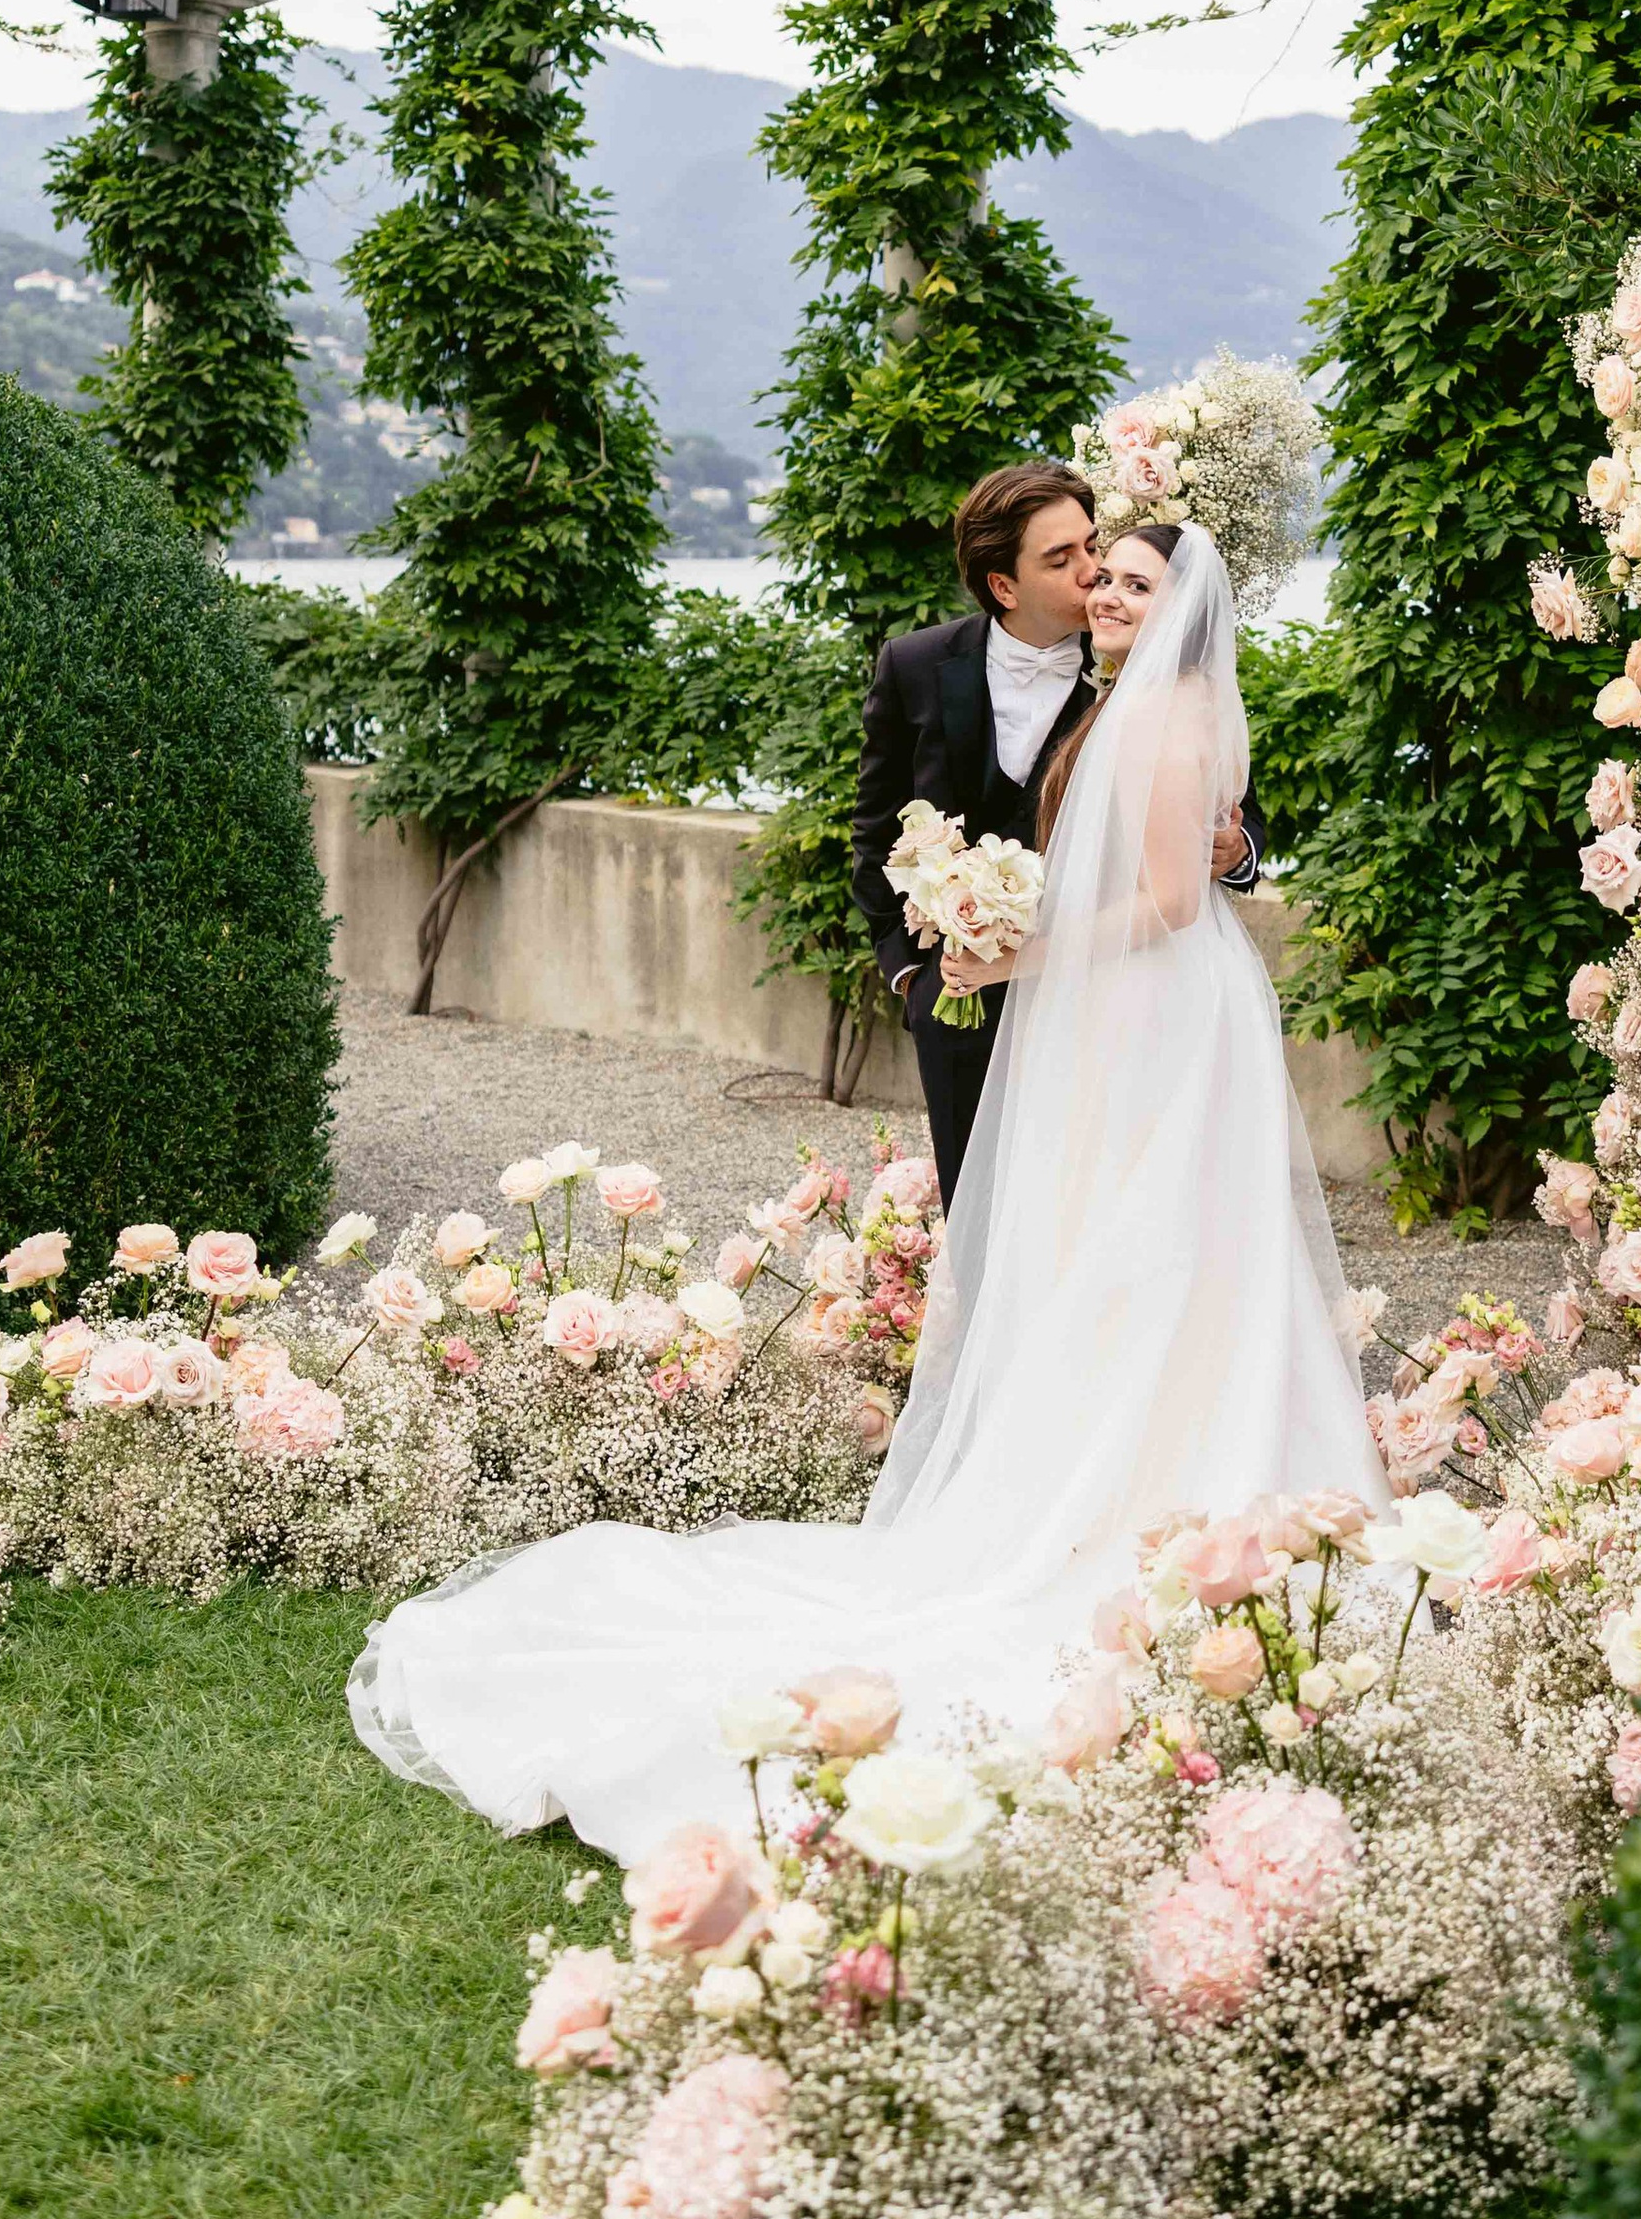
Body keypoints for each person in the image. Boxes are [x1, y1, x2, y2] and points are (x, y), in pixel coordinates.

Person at [348, 519, 1383, 1863]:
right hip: (1084, 1014)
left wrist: (1030, 947)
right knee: (1079, 1251)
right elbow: (894, 821)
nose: (1103, 589)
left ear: (1177, 606)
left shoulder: (1166, 706)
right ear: (1013, 580)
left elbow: (1194, 880)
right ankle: (1098, 1471)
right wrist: (956, 943)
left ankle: (1167, 1483)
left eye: (1129, 577)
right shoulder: (1004, 674)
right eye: (1090, 570)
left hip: (1150, 1013)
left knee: (1173, 1247)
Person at [851, 460, 1262, 1205]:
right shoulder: (913, 666)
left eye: (1091, 545)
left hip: (1104, 998)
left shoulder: (1146, 664)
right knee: (979, 1221)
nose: (1093, 570)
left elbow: (1232, 803)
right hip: (961, 1003)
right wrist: (909, 974)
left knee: (1089, 1215)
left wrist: (1236, 851)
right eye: (1062, 559)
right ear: (1004, 586)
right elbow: (877, 831)